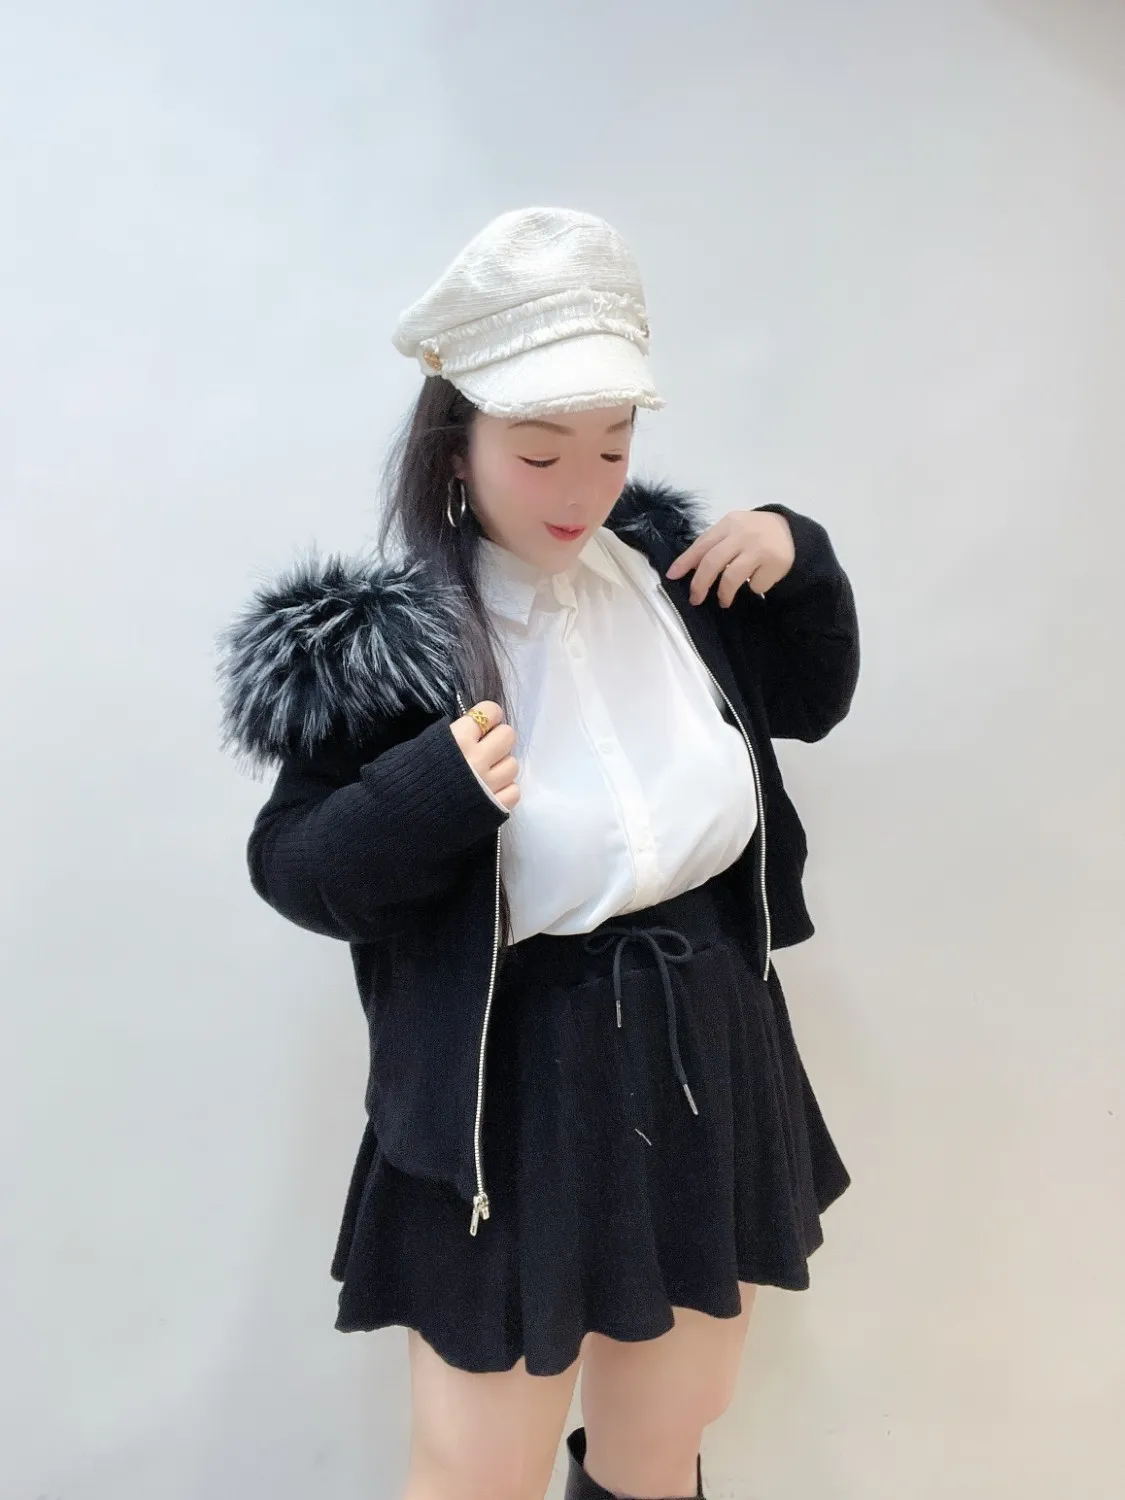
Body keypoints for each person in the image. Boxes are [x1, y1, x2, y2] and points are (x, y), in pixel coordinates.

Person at [218, 206, 860, 1500]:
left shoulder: (674, 580)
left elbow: (808, 698)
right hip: (513, 1086)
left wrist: (801, 559)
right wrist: (430, 794)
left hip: (708, 1047)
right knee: (476, 1466)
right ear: (455, 446)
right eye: (540, 452)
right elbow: (296, 868)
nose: (582, 490)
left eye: (613, 447)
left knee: (665, 1437)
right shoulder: (389, 644)